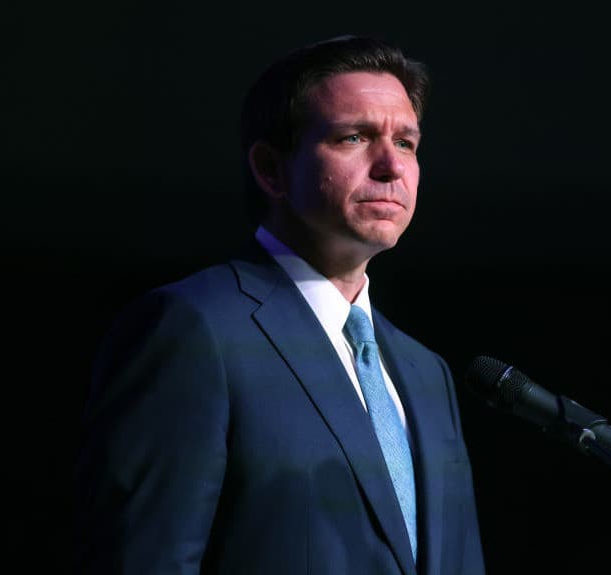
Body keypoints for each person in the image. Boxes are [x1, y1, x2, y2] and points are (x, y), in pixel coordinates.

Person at [73, 35, 486, 575]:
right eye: (354, 137)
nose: (391, 166)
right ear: (271, 169)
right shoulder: (194, 330)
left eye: (406, 143)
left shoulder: (426, 372)